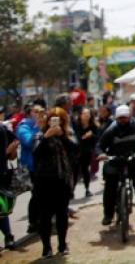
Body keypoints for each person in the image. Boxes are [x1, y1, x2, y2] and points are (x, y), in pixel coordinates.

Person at [97, 104, 135, 232]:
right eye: (120, 118)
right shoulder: (111, 130)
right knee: (110, 187)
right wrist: (101, 154)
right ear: (116, 118)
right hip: (117, 161)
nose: (123, 120)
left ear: (130, 116)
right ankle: (108, 214)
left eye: (125, 118)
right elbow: (100, 145)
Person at [33, 107, 76, 258]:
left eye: (59, 120)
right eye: (53, 119)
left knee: (61, 214)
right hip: (44, 181)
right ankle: (46, 248)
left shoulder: (68, 134)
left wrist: (62, 136)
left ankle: (62, 244)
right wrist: (46, 137)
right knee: (44, 216)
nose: (56, 123)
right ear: (48, 120)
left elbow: (75, 150)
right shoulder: (40, 135)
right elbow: (36, 154)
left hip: (62, 181)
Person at [18, 104, 42, 234]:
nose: (38, 114)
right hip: (32, 167)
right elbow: (28, 142)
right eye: (36, 112)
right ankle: (33, 222)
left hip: (42, 165)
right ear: (29, 114)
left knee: (41, 194)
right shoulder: (23, 127)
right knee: (36, 195)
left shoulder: (39, 125)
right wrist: (38, 127)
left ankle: (40, 220)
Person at [0, 110, 19, 248]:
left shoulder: (2, 129)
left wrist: (11, 152)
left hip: (1, 174)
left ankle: (8, 236)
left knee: (2, 208)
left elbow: (15, 140)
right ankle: (8, 236)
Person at [73, 107, 98, 197]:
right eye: (84, 114)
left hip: (87, 151)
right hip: (76, 151)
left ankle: (87, 189)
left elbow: (96, 139)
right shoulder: (76, 125)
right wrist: (84, 137)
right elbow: (75, 138)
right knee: (75, 171)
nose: (86, 115)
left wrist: (91, 136)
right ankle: (72, 190)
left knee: (85, 170)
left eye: (88, 114)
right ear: (80, 115)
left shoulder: (93, 126)